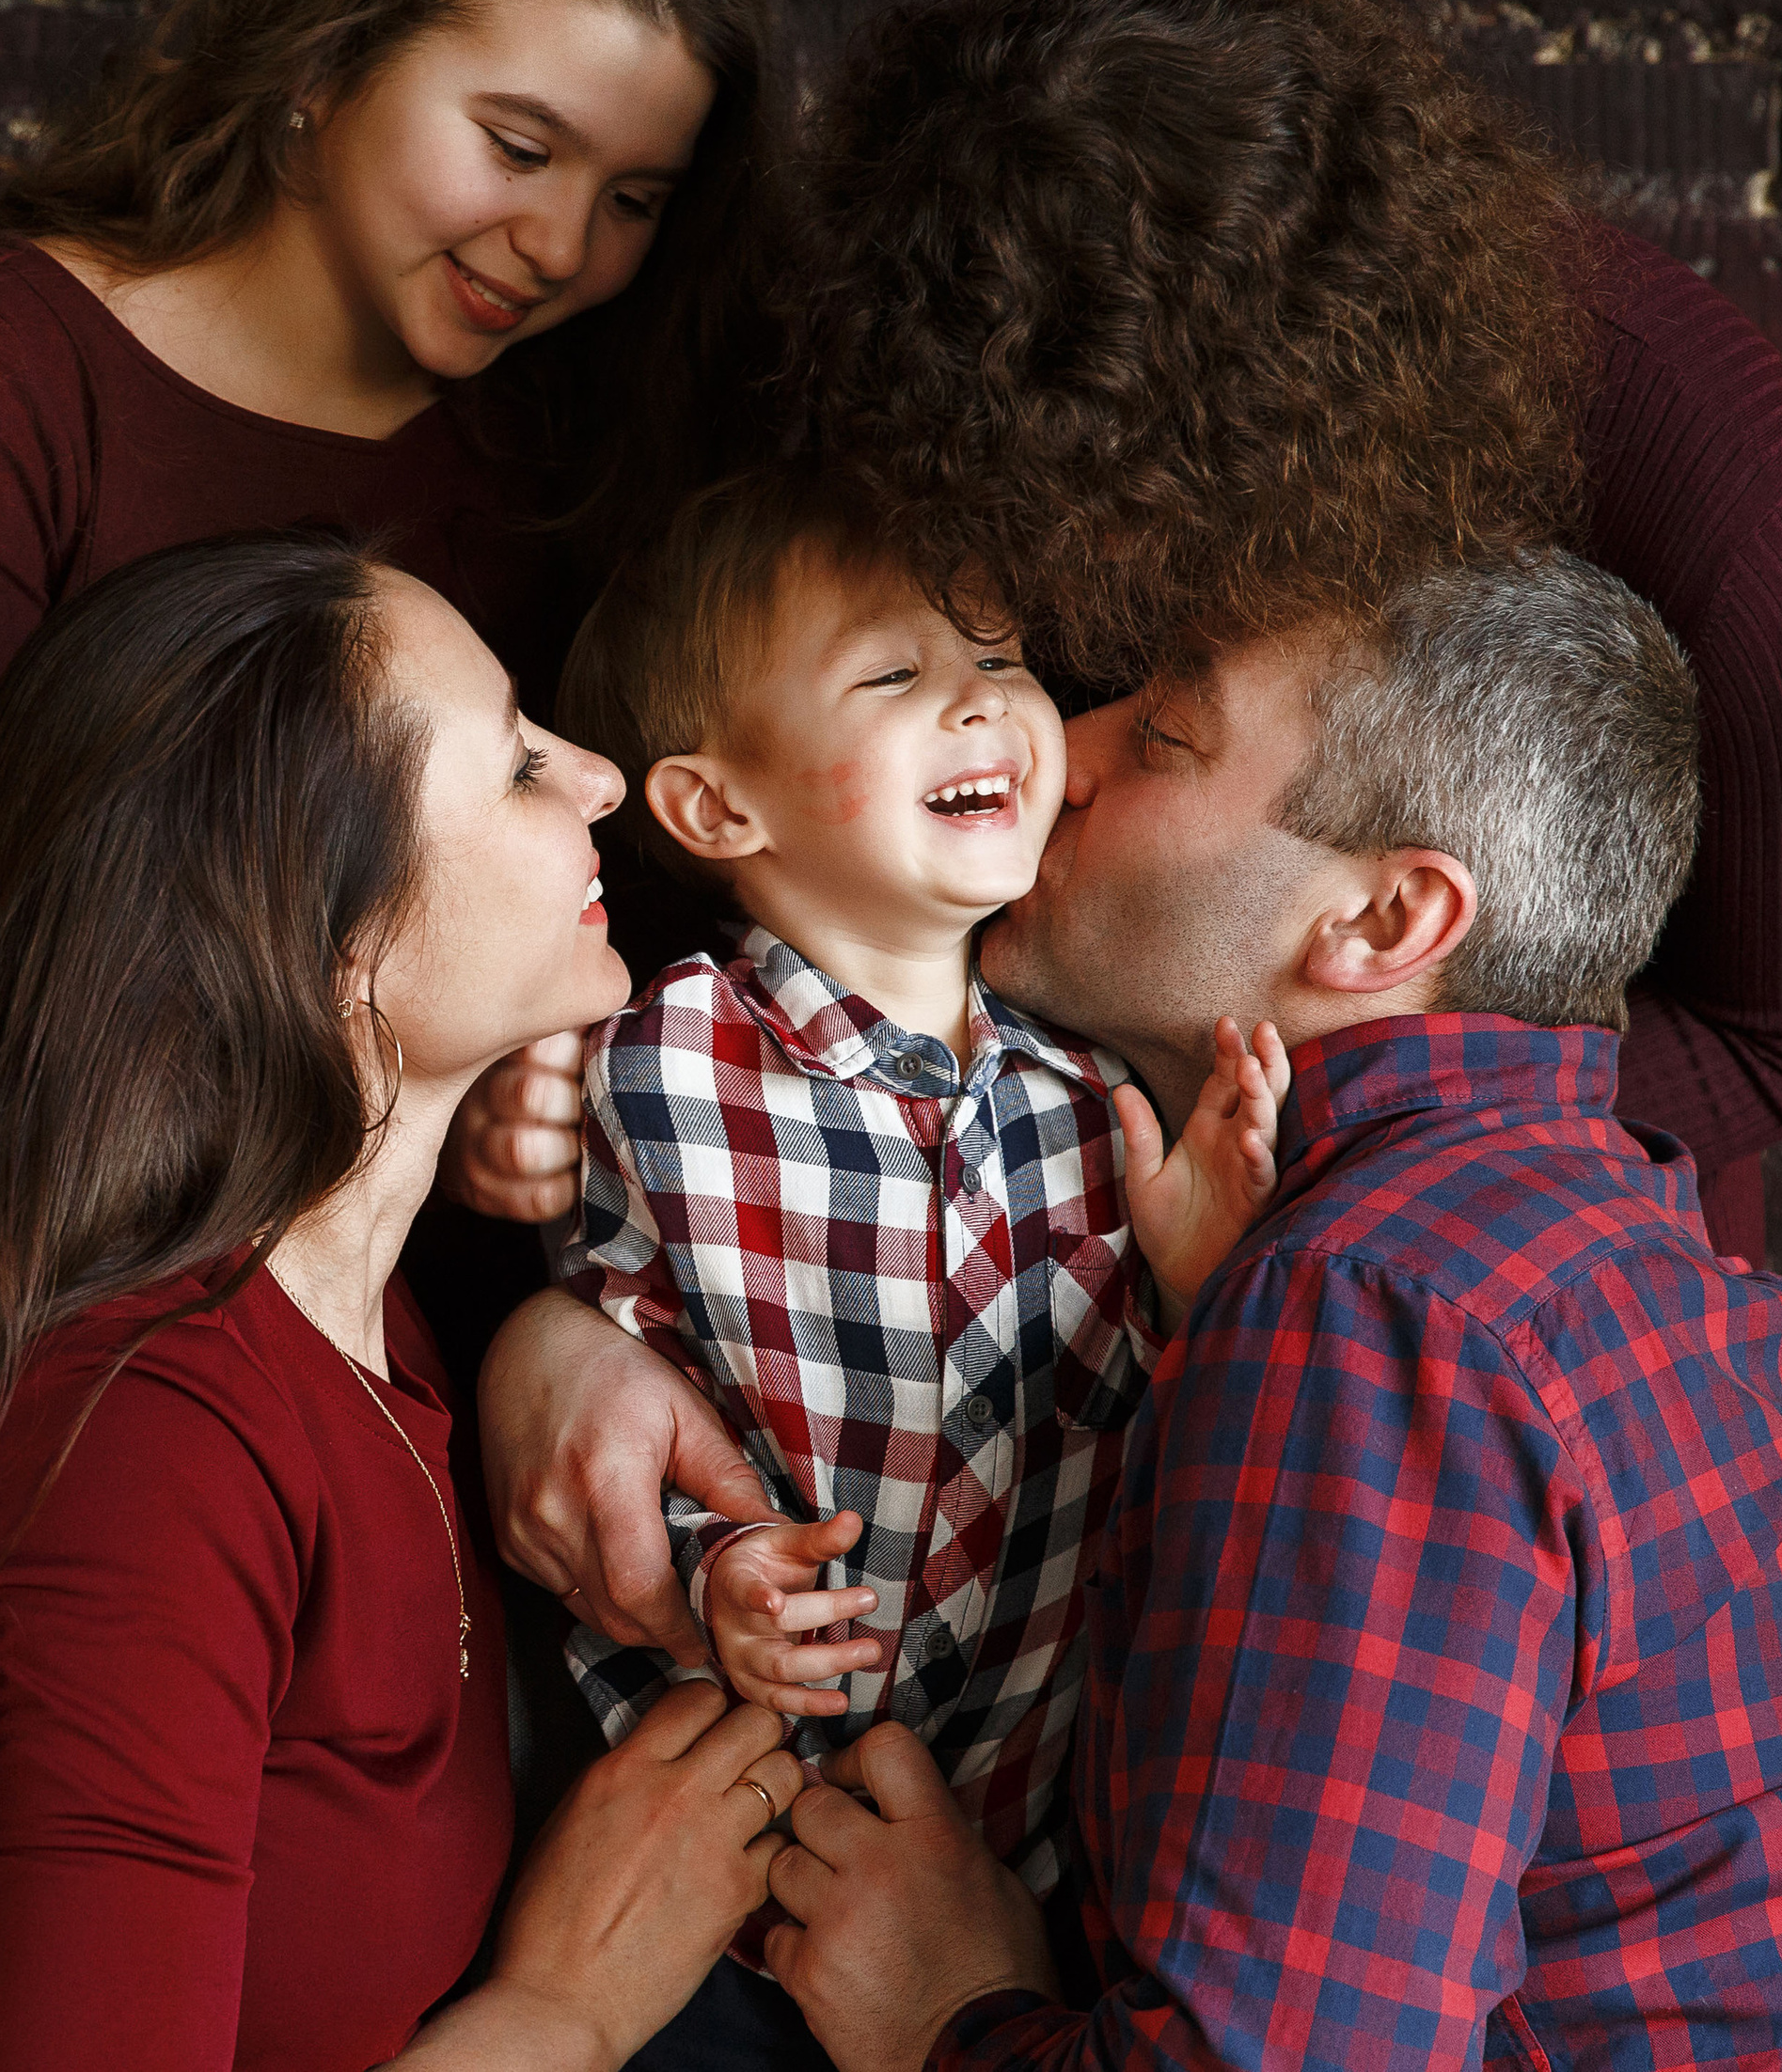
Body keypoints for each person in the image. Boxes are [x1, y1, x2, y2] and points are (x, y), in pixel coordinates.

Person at [471, 0, 1782, 1683]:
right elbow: (789, 838)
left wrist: (1271, 1106)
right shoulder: (946, 368)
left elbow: (1768, 1054)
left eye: (1140, 675)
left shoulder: (1691, 449)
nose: (1044, 726)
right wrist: (574, 1334)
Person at [0, 533, 808, 2072]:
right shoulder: (141, 1444)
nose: (598, 780)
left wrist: (548, 1345)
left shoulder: (353, 1330)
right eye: (514, 764)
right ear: (331, 945)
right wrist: (564, 2007)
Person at [0, 0, 781, 1389]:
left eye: (631, 201)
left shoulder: (594, 437)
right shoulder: (3, 380)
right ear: (326, 60)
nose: (559, 246)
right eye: (517, 146)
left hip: (537, 1367)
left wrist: (557, 1133)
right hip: (96, 1351)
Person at [756, 553, 1782, 2072]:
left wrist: (947, 2016)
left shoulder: (1373, 1313)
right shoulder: (1650, 1257)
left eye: (1160, 735)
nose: (1059, 748)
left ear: (1382, 919)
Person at [542, 475, 1287, 2064]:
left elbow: (1114, 1455)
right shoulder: (654, 1059)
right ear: (714, 809)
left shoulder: (1099, 1099)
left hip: (1014, 1857)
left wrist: (1187, 1290)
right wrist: (709, 1565)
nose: (985, 708)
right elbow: (615, 1361)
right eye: (896, 677)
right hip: (725, 1863)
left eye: (1005, 660)